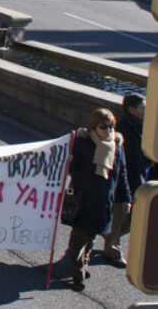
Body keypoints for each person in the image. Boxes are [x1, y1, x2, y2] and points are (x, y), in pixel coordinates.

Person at [65, 108, 131, 292]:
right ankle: (77, 274)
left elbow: (122, 173)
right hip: (83, 199)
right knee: (78, 239)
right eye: (104, 127)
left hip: (104, 201)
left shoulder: (116, 146)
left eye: (111, 127)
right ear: (94, 126)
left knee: (91, 237)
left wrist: (126, 198)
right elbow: (70, 166)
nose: (108, 131)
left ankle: (83, 265)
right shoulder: (82, 142)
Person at [104, 95, 148, 267]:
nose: (145, 111)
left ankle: (109, 235)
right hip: (125, 180)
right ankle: (112, 249)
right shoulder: (121, 128)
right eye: (142, 108)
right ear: (132, 110)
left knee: (136, 216)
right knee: (122, 213)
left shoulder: (141, 126)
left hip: (138, 176)